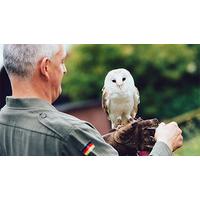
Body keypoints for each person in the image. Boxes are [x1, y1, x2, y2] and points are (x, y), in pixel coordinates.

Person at [0, 44, 183, 156]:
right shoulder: (70, 132)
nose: (65, 70)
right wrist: (164, 144)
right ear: (46, 67)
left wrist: (104, 144)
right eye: (62, 61)